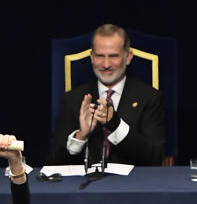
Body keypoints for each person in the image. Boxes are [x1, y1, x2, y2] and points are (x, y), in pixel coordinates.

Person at [48, 23, 165, 166]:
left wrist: (116, 125)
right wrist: (80, 136)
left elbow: (155, 157)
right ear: (91, 57)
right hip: (85, 186)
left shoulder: (149, 98)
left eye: (113, 56)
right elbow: (53, 163)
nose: (106, 64)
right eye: (99, 56)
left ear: (128, 57)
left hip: (132, 185)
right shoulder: (72, 99)